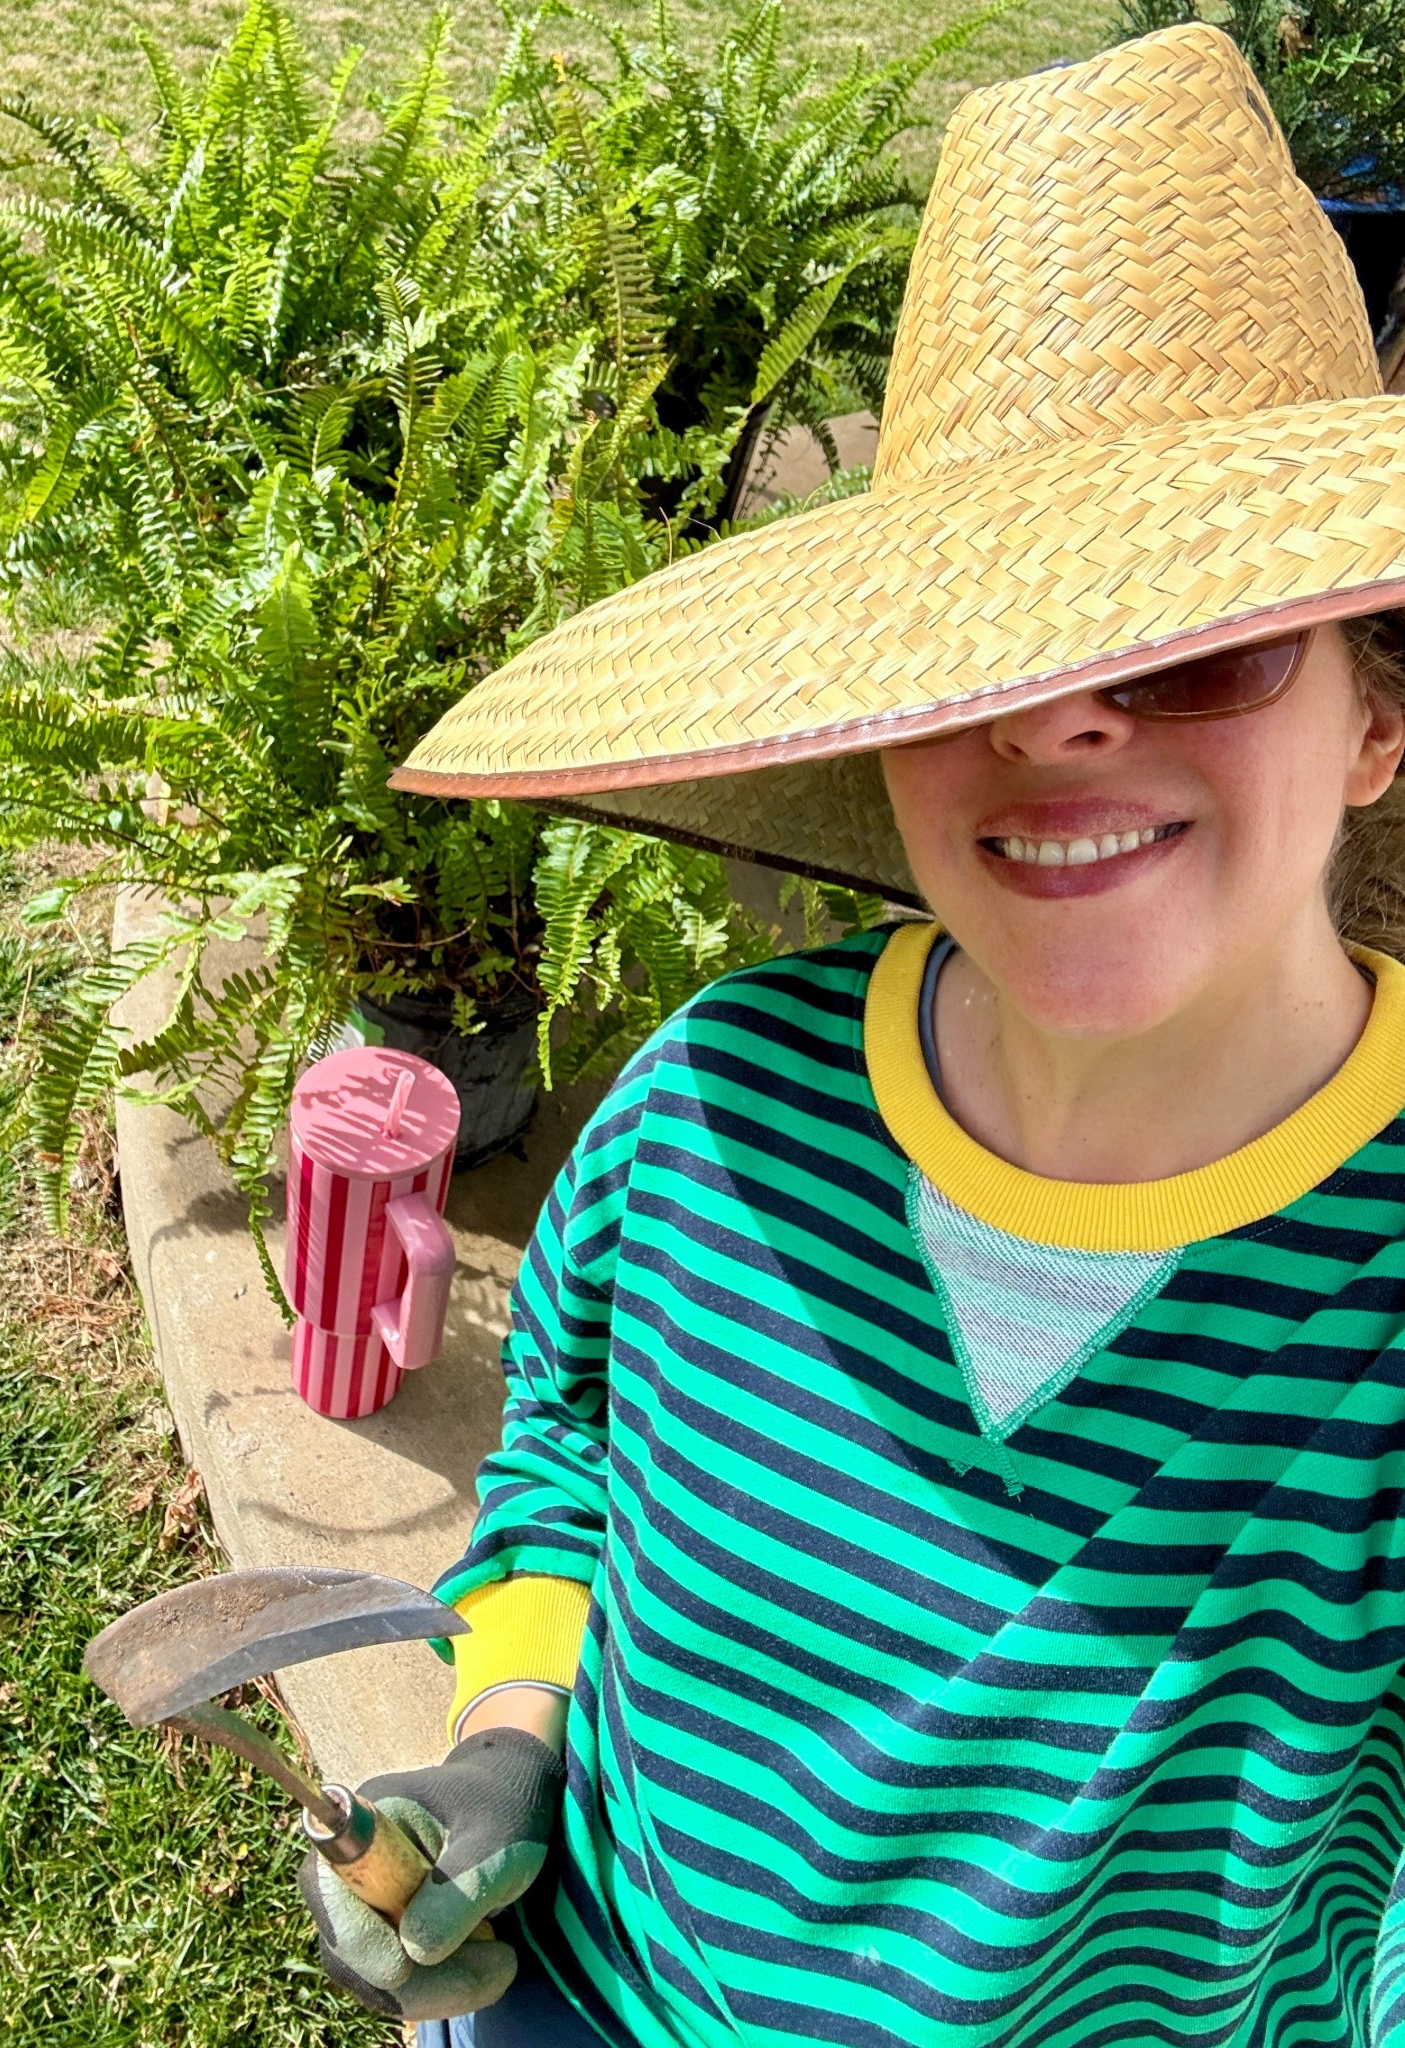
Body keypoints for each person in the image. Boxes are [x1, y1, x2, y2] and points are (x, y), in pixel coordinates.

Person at [301, 23, 1405, 2046]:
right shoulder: (711, 1110)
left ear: (1377, 722)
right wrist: (508, 1742)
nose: (1062, 720)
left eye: (1206, 645)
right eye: (971, 656)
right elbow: (570, 1442)